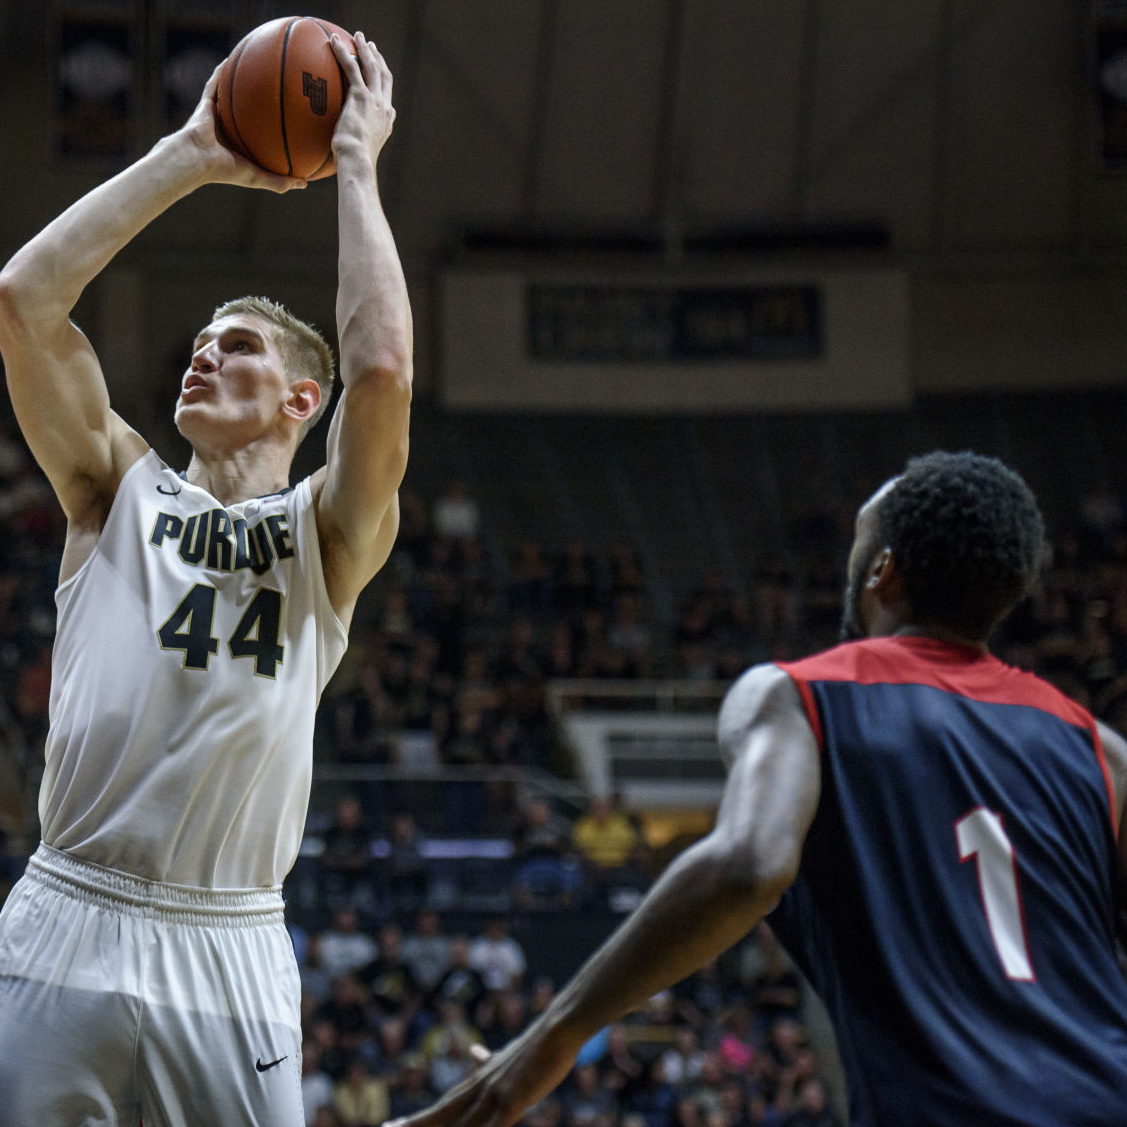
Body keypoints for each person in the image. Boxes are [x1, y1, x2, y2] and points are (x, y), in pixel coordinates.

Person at [393, 452, 1127, 1127]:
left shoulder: (798, 696)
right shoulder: (1101, 751)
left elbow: (749, 865)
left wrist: (544, 1047)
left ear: (884, 574)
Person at [0, 31, 409, 1126]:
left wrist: (354, 164)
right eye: (201, 343)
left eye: (241, 346)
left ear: (304, 401)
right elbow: (24, 303)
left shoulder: (328, 533)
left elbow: (383, 367)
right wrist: (193, 151)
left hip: (230, 939)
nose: (205, 354)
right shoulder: (118, 487)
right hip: (71, 902)